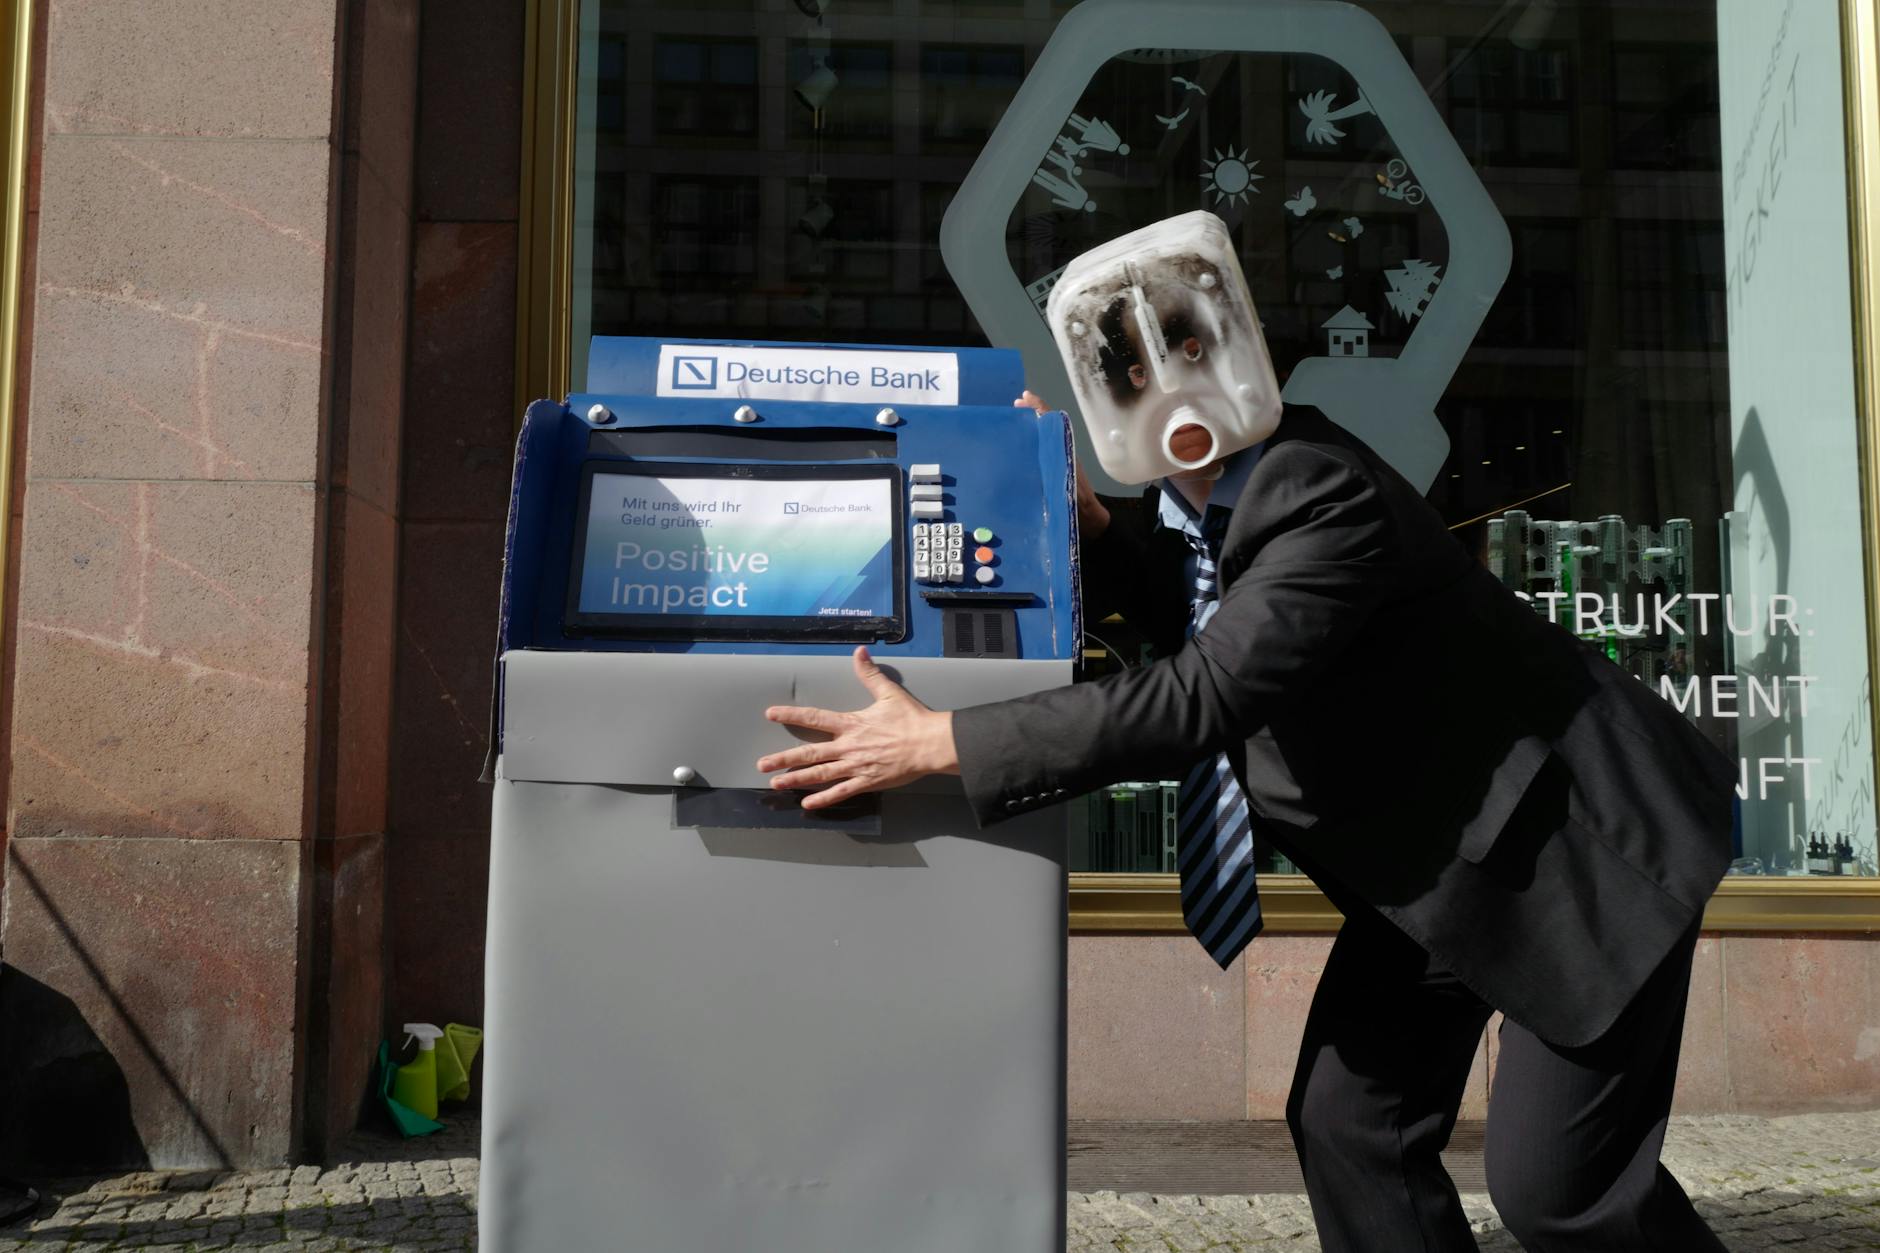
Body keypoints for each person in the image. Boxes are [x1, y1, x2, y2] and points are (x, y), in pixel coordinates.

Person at [755, 212, 1734, 1251]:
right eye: (1134, 360)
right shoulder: (1206, 510)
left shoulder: (1317, 490)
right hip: (1442, 863)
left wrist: (942, 742)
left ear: (1228, 341)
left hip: (1578, 850)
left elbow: (1203, 693)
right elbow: (1204, 610)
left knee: (1562, 1193)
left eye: (1184, 343)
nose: (1170, 379)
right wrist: (1094, 532)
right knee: (1349, 1127)